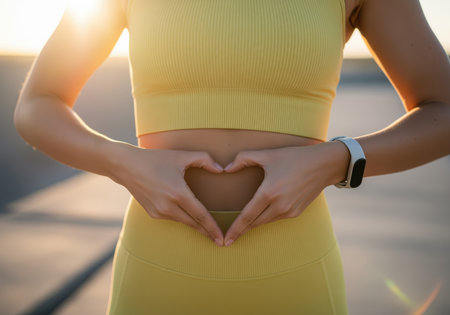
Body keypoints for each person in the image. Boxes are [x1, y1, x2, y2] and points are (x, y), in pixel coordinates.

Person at [14, 0, 449, 314]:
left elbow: (442, 109)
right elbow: (37, 106)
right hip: (156, 272)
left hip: (296, 274)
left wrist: (338, 159)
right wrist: (123, 163)